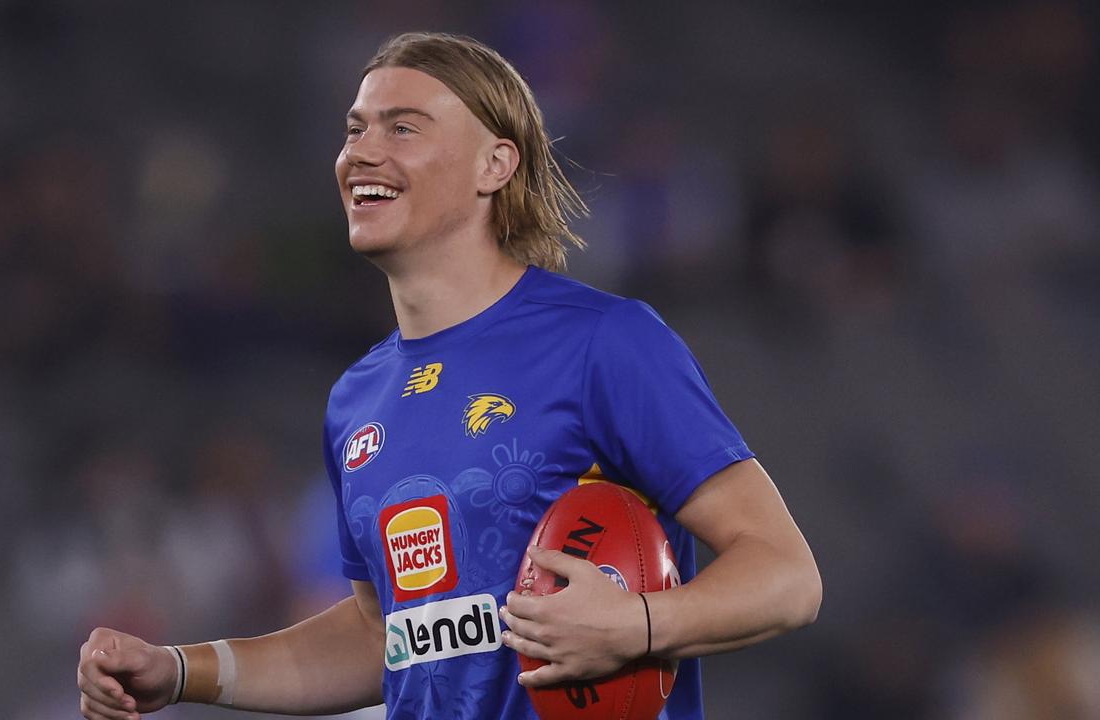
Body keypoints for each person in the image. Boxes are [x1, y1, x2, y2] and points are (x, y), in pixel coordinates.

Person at [77, 31, 821, 720]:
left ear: (494, 164)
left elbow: (785, 576)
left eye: (402, 127)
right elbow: (381, 637)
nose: (362, 152)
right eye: (355, 129)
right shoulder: (355, 400)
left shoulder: (605, 343)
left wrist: (638, 624)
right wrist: (176, 670)